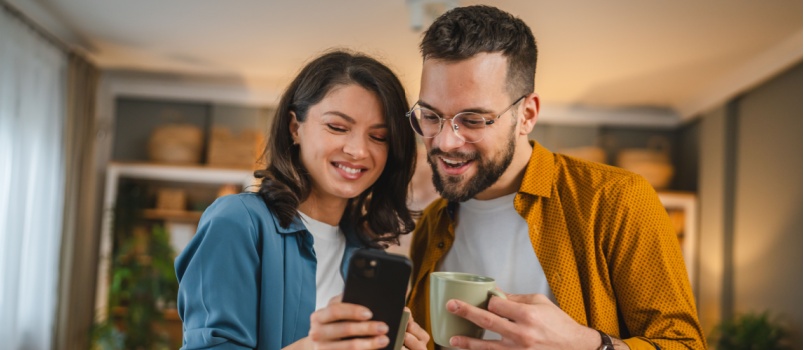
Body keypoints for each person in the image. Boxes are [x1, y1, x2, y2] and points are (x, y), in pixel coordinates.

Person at [404, 6, 706, 350]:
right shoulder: (431, 224)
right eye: (430, 116)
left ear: (527, 115)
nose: (444, 141)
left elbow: (686, 345)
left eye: (473, 119)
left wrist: (592, 345)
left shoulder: (617, 199)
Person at [175, 50, 430, 350]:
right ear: (295, 127)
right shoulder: (237, 221)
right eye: (338, 127)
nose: (358, 150)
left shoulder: (365, 251)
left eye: (379, 137)